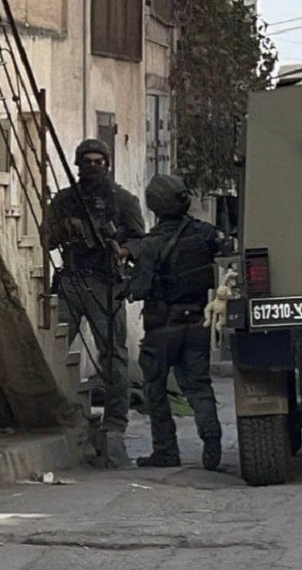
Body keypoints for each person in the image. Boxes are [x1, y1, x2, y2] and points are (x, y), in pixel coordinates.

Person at [44, 138, 145, 469]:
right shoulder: (65, 200)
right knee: (52, 351)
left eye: (98, 162)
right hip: (72, 280)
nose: (92, 167)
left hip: (106, 284)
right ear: (77, 165)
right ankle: (54, 414)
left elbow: (140, 241)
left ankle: (114, 424)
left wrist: (122, 248)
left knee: (114, 356)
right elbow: (45, 239)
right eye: (86, 162)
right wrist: (63, 230)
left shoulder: (123, 201)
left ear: (107, 164)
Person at [132, 173, 223, 471]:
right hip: (197, 322)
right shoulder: (206, 234)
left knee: (155, 389)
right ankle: (211, 438)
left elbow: (139, 288)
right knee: (198, 386)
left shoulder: (151, 244)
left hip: (162, 328)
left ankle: (166, 451)